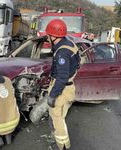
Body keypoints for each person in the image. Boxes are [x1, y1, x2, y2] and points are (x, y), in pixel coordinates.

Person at [30, 19, 80, 150]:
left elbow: (62, 77)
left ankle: (62, 146)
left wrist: (52, 95)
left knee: (58, 120)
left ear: (54, 36)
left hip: (62, 90)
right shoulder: (69, 44)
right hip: (68, 87)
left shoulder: (62, 52)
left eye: (48, 35)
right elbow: (79, 63)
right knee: (59, 117)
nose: (47, 37)